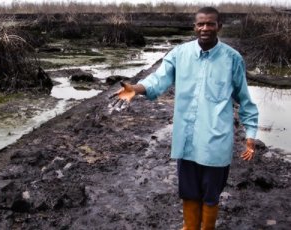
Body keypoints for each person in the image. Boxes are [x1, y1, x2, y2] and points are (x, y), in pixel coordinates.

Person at [110, 7, 258, 230]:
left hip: (215, 141)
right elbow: (158, 79)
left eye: (210, 24)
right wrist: (137, 88)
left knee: (210, 194)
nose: (205, 28)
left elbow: (245, 99)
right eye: (201, 24)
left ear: (219, 26)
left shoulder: (232, 59)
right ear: (194, 27)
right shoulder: (179, 54)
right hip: (186, 139)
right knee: (188, 191)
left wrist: (251, 133)